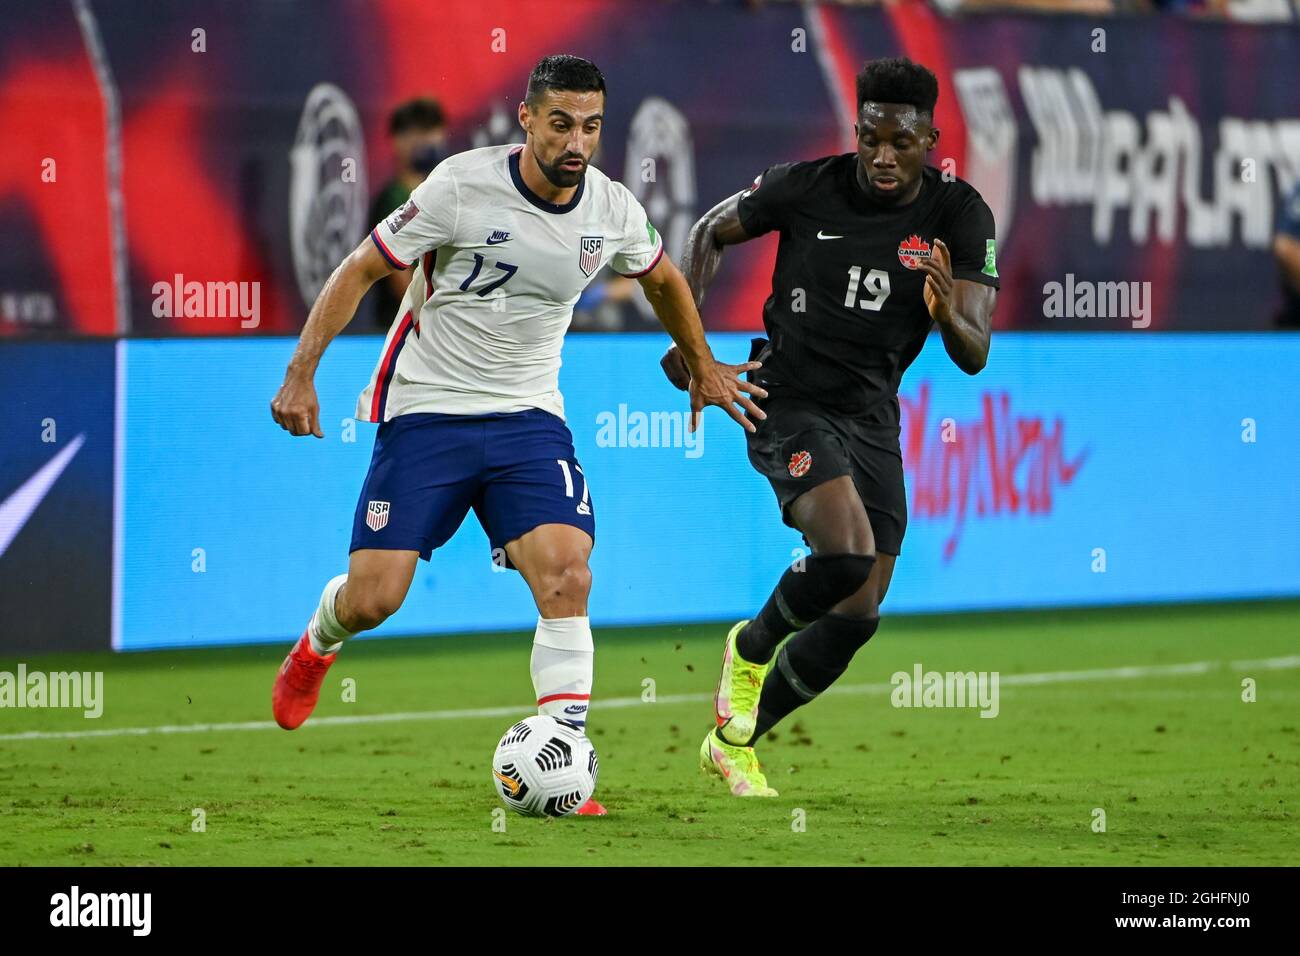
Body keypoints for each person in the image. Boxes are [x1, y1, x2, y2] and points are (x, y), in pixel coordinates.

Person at [269, 55, 764, 816]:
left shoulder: (610, 208)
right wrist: (302, 373)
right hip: (427, 409)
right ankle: (318, 643)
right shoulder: (460, 187)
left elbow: (663, 277)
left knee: (569, 574)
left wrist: (701, 363)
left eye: (591, 126)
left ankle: (561, 761)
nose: (576, 141)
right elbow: (361, 268)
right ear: (527, 119)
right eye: (560, 122)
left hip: (529, 417)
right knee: (375, 599)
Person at [662, 57, 999, 797]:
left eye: (901, 143)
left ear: (931, 140)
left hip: (872, 414)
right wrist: (690, 339)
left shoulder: (960, 214)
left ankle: (734, 739)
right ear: (856, 131)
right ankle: (748, 650)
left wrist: (948, 318)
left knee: (859, 612)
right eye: (871, 138)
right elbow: (712, 230)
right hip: (787, 397)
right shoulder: (804, 186)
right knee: (845, 554)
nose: (883, 156)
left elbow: (975, 354)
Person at [367, 98, 449, 328]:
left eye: (434, 131)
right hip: (402, 327)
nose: (430, 140)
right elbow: (398, 276)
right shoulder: (394, 200)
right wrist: (432, 323)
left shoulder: (442, 195)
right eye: (419, 132)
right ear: (397, 141)